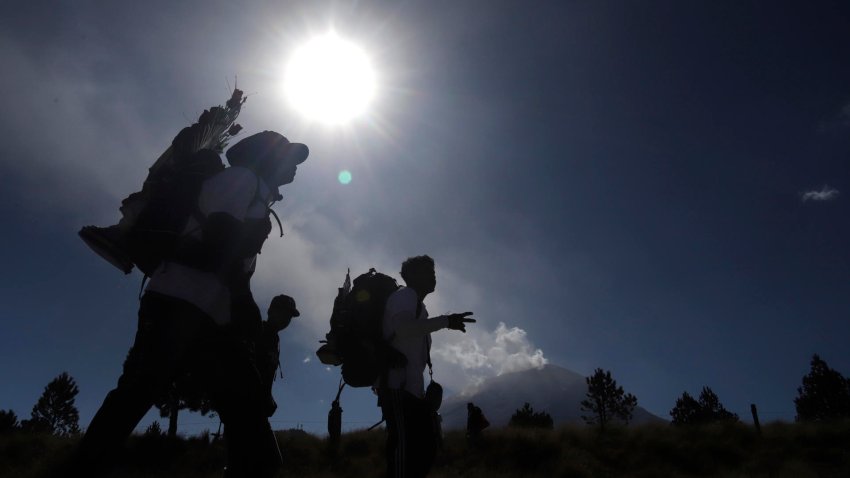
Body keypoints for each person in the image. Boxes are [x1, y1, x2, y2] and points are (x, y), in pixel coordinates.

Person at [71, 131, 309, 478]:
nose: (295, 169)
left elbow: (227, 255)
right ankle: (81, 467)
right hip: (177, 301)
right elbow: (220, 240)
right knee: (140, 392)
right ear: (267, 159)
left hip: (205, 313)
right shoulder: (241, 179)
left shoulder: (256, 193)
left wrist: (240, 306)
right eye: (289, 159)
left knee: (241, 404)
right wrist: (244, 305)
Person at [379, 255, 475, 478]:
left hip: (409, 392)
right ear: (409, 275)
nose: (433, 276)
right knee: (404, 452)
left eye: (433, 272)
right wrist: (446, 321)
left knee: (422, 450)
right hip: (397, 388)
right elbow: (403, 329)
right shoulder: (406, 295)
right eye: (427, 271)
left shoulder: (419, 307)